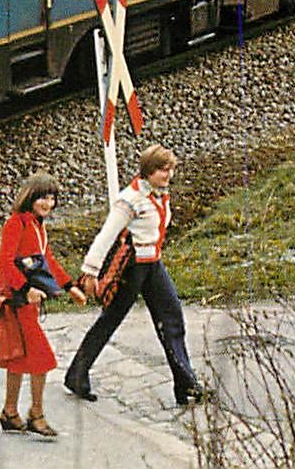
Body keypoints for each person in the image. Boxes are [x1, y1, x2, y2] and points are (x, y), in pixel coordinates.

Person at [64, 144, 204, 408]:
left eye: (171, 169)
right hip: (132, 267)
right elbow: (106, 235)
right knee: (110, 320)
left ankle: (185, 382)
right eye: (163, 170)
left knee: (172, 318)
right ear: (148, 171)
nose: (168, 175)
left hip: (153, 265)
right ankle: (77, 375)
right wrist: (90, 272)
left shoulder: (161, 195)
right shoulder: (130, 199)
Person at [0, 172, 88, 438]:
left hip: (28, 302)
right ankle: (36, 414)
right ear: (30, 198)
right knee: (42, 358)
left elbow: (47, 260)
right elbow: (5, 262)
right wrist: (26, 288)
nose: (48, 203)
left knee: (18, 356)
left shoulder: (37, 224)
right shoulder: (17, 223)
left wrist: (70, 286)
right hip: (17, 301)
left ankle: (10, 412)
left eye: (52, 198)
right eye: (42, 198)